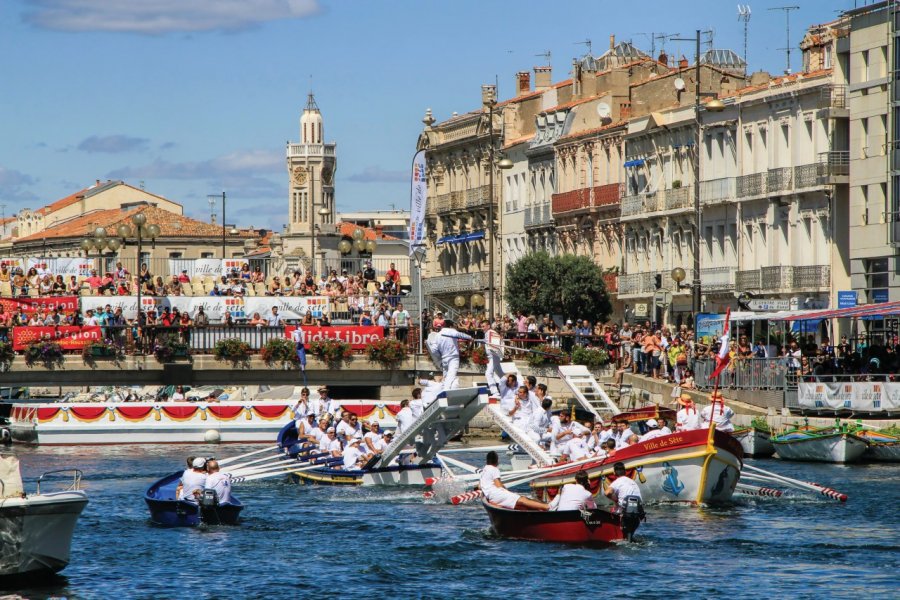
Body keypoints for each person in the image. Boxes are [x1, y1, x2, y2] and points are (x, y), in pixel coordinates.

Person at [478, 450, 548, 511]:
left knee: (519, 504)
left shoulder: (484, 470)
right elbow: (498, 485)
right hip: (497, 494)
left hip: (492, 496)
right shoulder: (494, 469)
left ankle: (540, 509)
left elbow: (479, 486)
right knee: (523, 500)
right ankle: (547, 507)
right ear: (496, 460)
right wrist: (507, 491)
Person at [429, 319, 472, 390]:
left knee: (446, 376)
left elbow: (433, 350)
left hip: (444, 358)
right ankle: (446, 391)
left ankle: (443, 390)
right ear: (450, 326)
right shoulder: (451, 331)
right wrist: (470, 337)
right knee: (451, 375)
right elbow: (459, 334)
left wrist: (439, 356)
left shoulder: (437, 335)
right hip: (453, 357)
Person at [481, 320, 505, 397]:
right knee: (500, 374)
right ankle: (511, 387)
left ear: (488, 326)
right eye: (481, 326)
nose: (482, 328)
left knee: (488, 373)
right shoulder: (488, 333)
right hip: (492, 356)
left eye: (483, 326)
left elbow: (499, 340)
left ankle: (495, 392)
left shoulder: (491, 332)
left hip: (493, 356)